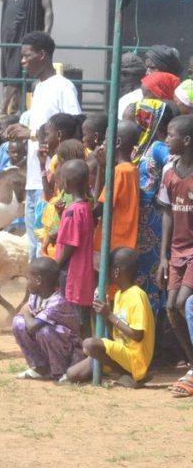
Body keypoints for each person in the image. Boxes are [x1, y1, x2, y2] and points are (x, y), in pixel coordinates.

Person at [2, 31, 81, 260]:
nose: (23, 61)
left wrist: (31, 134)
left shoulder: (63, 86)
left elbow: (74, 125)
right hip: (35, 179)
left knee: (46, 246)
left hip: (52, 182)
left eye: (27, 55)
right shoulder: (38, 87)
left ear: (42, 55)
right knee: (34, 247)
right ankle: (36, 296)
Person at [64, 247, 154, 387]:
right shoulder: (119, 295)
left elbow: (137, 335)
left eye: (109, 269)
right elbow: (115, 334)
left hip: (135, 358)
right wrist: (105, 316)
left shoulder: (137, 296)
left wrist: (110, 315)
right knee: (72, 374)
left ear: (116, 271)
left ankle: (129, 376)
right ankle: (121, 372)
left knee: (89, 344)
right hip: (120, 352)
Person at [0, 0, 54, 117]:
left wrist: (45, 34)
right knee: (9, 70)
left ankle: (2, 108)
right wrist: (12, 5)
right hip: (8, 33)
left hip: (28, 32)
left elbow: (48, 10)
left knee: (18, 68)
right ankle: (16, 109)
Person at [157, 114, 193, 379]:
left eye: (171, 135)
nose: (167, 139)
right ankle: (191, 362)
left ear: (187, 140)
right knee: (170, 307)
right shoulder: (169, 172)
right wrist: (163, 256)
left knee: (183, 302)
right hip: (177, 251)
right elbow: (167, 213)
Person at [13, 257, 84, 381]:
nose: (27, 282)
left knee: (43, 330)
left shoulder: (58, 301)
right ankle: (40, 368)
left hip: (69, 349)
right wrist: (29, 315)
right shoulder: (34, 297)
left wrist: (26, 313)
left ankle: (60, 371)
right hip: (51, 344)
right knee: (18, 323)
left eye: (28, 279)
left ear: (38, 280)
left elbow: (32, 326)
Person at [133, 99, 174, 312]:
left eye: (144, 117)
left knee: (152, 270)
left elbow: (173, 165)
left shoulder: (158, 147)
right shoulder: (142, 147)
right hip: (140, 217)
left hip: (153, 217)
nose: (140, 121)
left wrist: (161, 195)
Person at [55, 159, 95, 337]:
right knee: (83, 319)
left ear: (67, 184)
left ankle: (79, 357)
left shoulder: (73, 211)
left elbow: (70, 244)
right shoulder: (86, 207)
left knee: (73, 319)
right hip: (83, 273)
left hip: (72, 274)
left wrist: (55, 267)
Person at [92, 120, 140, 262]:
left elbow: (99, 208)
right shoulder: (132, 169)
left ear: (117, 142)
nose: (102, 145)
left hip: (112, 242)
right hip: (125, 244)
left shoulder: (119, 172)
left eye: (106, 140)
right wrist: (101, 167)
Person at [116, 52, 148, 120]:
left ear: (128, 75)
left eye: (120, 75)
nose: (118, 80)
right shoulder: (150, 94)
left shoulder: (126, 100)